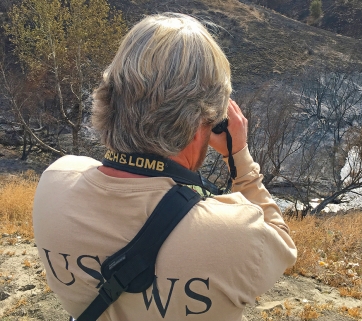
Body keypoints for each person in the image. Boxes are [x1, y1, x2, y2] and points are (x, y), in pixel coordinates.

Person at [33, 13, 297, 321]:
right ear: (206, 120)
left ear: (109, 99)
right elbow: (282, 245)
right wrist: (238, 155)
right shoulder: (235, 234)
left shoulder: (55, 182)